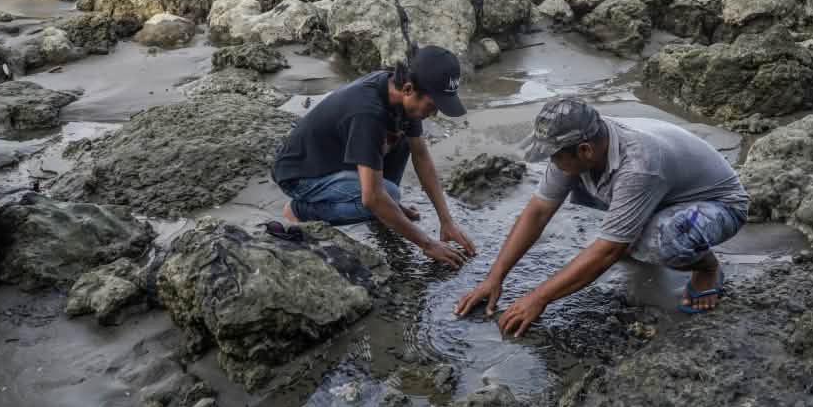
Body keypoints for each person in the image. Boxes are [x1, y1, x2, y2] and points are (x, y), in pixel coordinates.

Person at [454, 99, 749, 337]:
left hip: (717, 206)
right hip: (662, 196)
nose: (551, 162)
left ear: (585, 150)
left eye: (554, 156)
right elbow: (538, 211)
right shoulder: (581, 142)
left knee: (665, 240)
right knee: (621, 234)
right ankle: (640, 234)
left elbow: (607, 251)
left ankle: (707, 267)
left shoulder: (639, 164)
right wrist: (494, 278)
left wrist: (537, 299)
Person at [272, 46, 476, 267]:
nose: (434, 114)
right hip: (300, 175)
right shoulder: (368, 112)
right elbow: (372, 198)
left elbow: (421, 155)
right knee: (384, 196)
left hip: (335, 157)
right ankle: (300, 211)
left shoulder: (400, 93)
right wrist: (428, 244)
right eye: (432, 106)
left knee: (402, 140)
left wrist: (446, 221)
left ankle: (388, 207)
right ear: (409, 89)